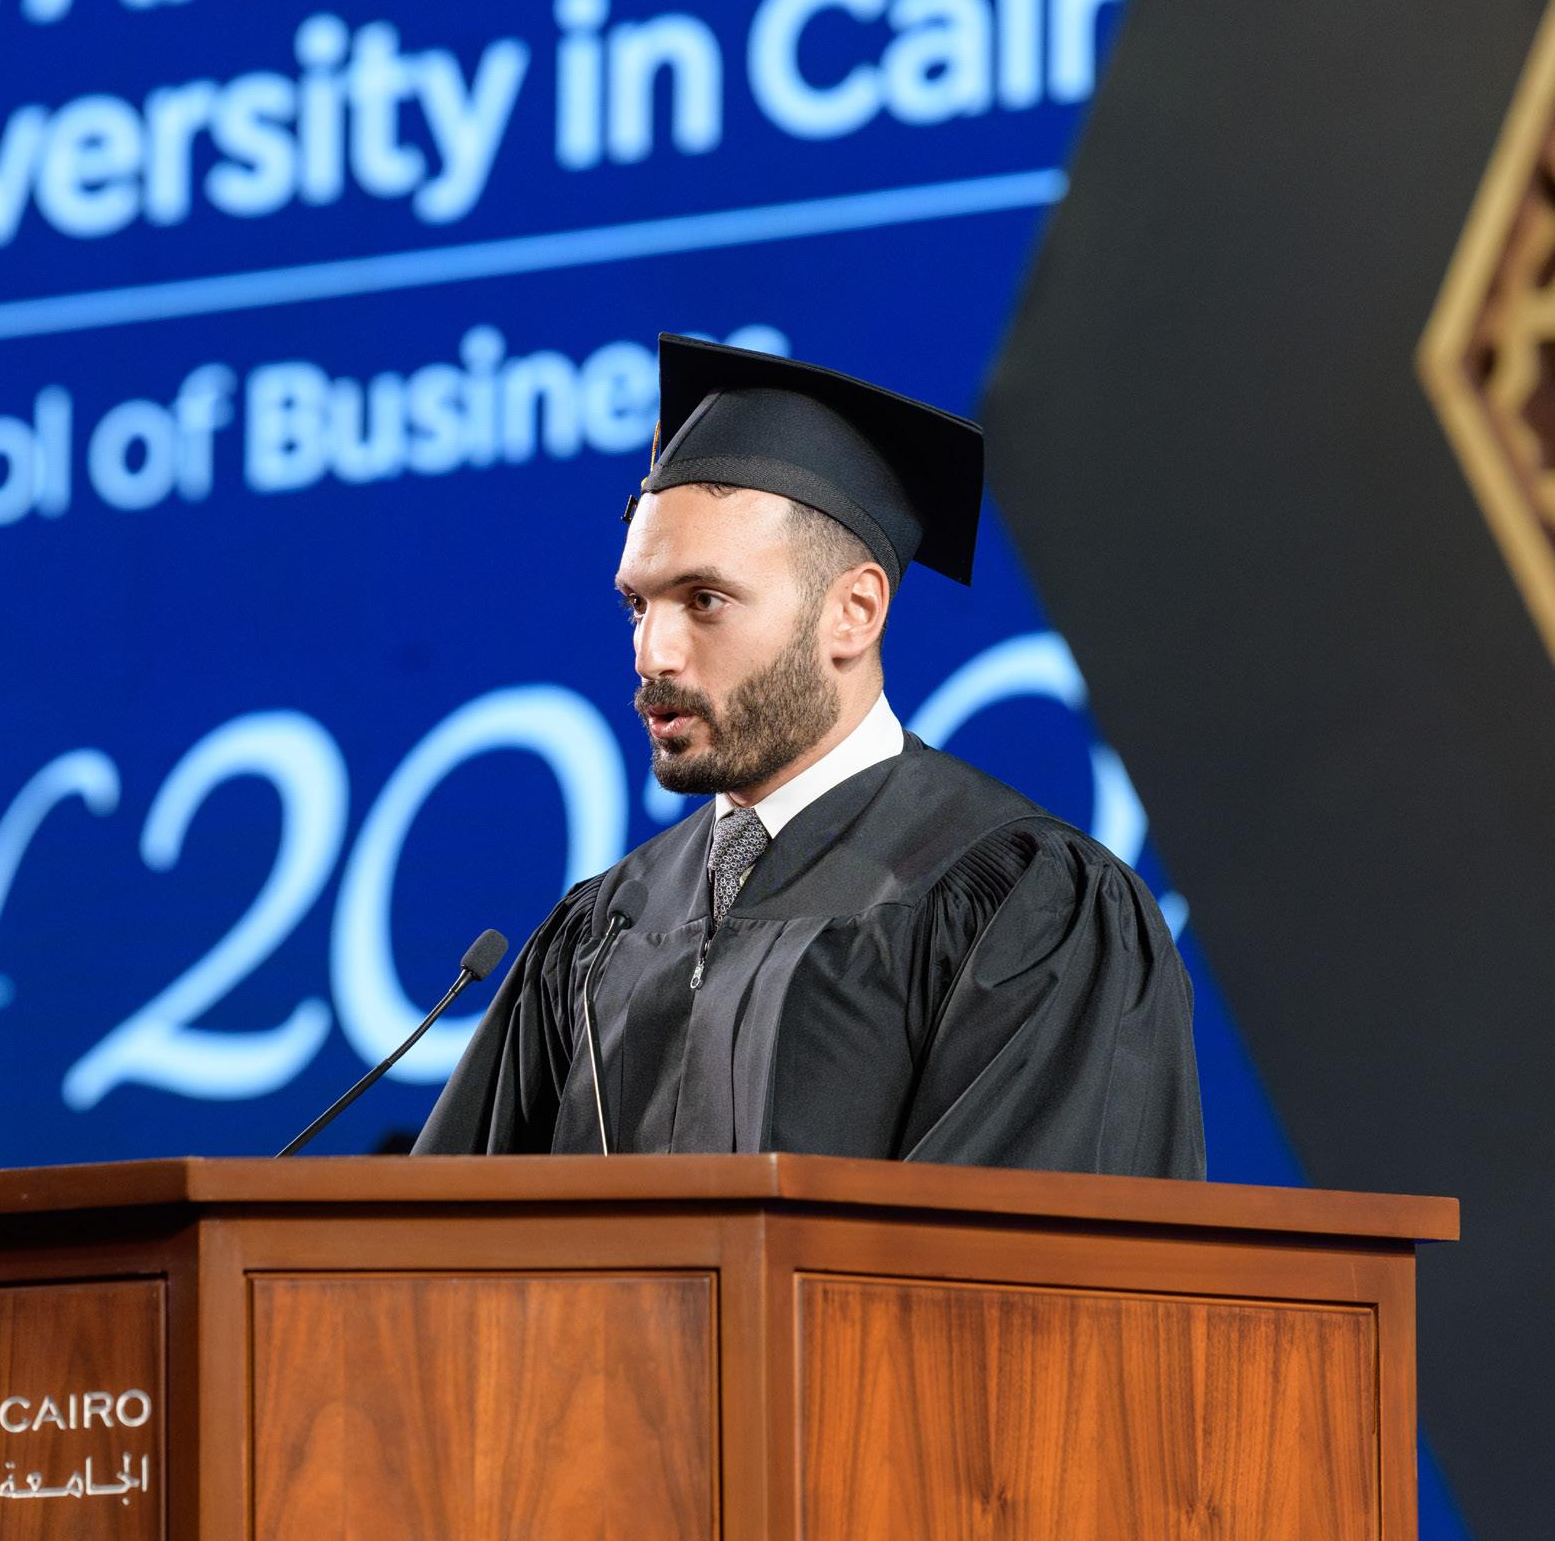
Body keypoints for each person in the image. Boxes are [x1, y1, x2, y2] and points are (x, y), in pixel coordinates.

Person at [417, 336, 1205, 1173]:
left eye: (705, 600)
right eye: (637, 606)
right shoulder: (600, 930)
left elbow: (1006, 1270)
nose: (654, 654)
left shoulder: (1028, 906)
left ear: (855, 612)